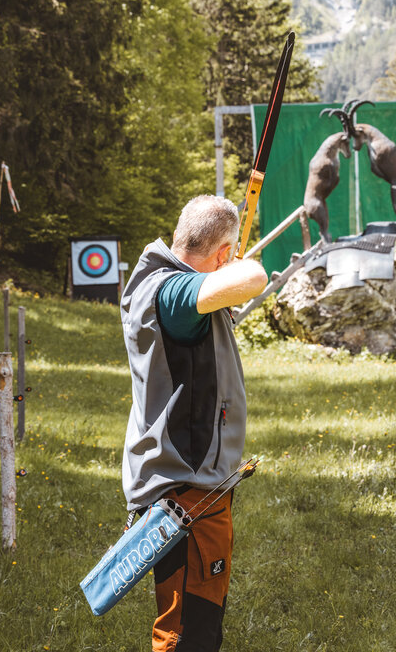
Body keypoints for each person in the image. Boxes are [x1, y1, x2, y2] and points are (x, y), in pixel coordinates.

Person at [120, 194, 268, 652]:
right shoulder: (173, 293)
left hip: (186, 485)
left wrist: (222, 274)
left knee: (197, 625)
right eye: (227, 256)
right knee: (187, 634)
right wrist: (234, 270)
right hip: (185, 495)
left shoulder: (168, 286)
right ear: (222, 254)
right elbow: (255, 277)